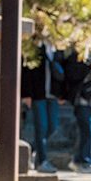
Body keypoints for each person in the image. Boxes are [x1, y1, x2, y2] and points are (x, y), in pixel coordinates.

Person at [21, 41, 65, 173]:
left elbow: (62, 72)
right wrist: (26, 94)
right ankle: (42, 161)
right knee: (41, 127)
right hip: (37, 94)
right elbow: (26, 71)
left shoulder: (58, 48)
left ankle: (31, 150)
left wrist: (62, 94)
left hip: (52, 95)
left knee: (52, 127)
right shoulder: (35, 47)